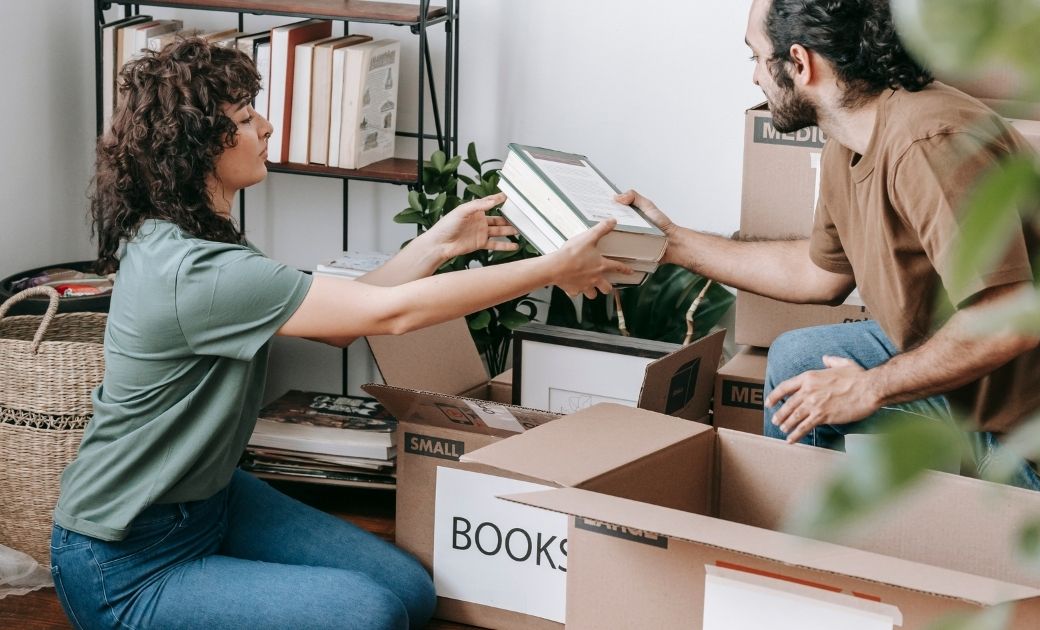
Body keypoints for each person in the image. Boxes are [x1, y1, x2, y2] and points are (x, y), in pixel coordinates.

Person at [50, 38, 629, 630]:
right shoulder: (195, 271)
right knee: (368, 614)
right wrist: (552, 268)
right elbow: (392, 316)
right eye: (246, 118)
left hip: (211, 503)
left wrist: (440, 243)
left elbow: (345, 320)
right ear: (196, 146)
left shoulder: (200, 239)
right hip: (124, 562)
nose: (268, 127)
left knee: (409, 591)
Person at [616, 0, 1040, 491]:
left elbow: (1009, 320)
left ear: (800, 64)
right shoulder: (850, 135)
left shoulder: (925, 143)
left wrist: (871, 388)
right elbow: (816, 275)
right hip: (990, 387)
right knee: (797, 365)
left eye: (756, 58)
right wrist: (673, 244)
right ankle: (797, 558)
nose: (754, 78)